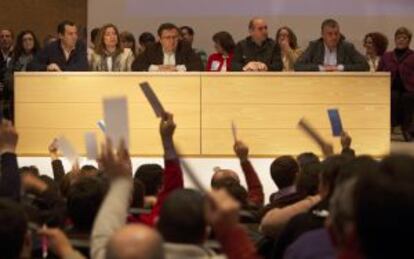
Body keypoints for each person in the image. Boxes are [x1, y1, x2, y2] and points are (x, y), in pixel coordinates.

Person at [377, 27, 414, 141]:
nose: (401, 40)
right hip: (390, 87)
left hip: (409, 88)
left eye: (404, 38)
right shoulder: (387, 56)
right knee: (393, 97)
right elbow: (379, 72)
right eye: (398, 37)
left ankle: (406, 129)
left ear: (409, 41)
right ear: (395, 40)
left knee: (407, 98)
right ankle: (393, 126)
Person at [294, 19, 369, 71]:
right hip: (318, 82)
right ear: (322, 35)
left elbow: (365, 65)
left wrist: (340, 67)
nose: (334, 37)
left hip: (342, 82)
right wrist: (321, 68)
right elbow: (298, 65)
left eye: (336, 34)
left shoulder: (347, 47)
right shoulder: (314, 46)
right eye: (330, 34)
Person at [132, 23, 203, 71]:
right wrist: (158, 68)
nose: (172, 41)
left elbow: (199, 65)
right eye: (167, 38)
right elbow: (135, 65)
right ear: (160, 39)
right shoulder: (152, 48)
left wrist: (177, 68)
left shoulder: (184, 47)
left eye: (174, 37)